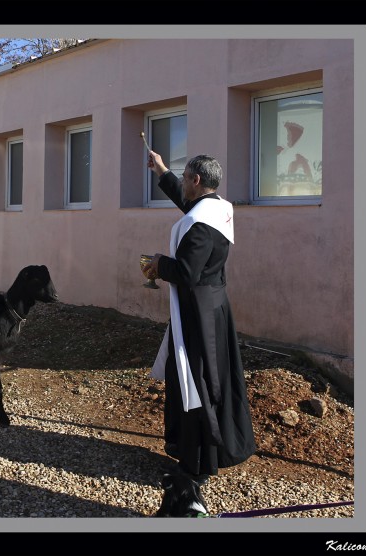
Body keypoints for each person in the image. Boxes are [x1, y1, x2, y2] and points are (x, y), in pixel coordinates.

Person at [142, 150, 256, 486]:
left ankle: (197, 466)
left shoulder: (200, 227)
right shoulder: (217, 208)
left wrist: (160, 264)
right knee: (201, 381)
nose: (182, 183)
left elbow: (188, 272)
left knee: (197, 385)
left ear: (195, 180)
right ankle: (199, 452)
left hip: (198, 318)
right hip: (212, 309)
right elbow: (190, 207)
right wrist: (161, 170)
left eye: (183, 177)